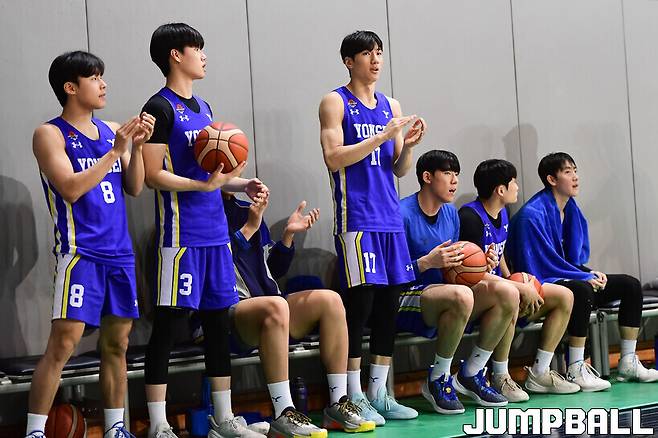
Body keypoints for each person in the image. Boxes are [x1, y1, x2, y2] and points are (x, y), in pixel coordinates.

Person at [141, 23, 270, 438]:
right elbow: (151, 175)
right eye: (197, 48)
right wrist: (201, 187)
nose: (204, 55)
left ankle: (223, 418)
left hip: (217, 236)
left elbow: (213, 176)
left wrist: (241, 184)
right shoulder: (158, 108)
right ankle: (159, 424)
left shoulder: (205, 107)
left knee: (217, 325)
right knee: (168, 326)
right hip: (181, 237)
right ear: (175, 55)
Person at [27, 50, 154, 438]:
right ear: (70, 87)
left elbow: (134, 187)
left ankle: (116, 427)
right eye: (94, 77)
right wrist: (115, 150)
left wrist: (137, 147)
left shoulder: (113, 129)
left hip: (120, 253)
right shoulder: (49, 134)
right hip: (80, 253)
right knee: (63, 345)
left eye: (102, 76)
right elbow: (70, 188)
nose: (103, 84)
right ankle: (34, 431)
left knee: (118, 344)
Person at [318, 30, 426, 423]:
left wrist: (407, 145)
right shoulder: (335, 102)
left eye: (379, 52)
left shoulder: (390, 105)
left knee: (388, 306)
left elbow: (398, 169)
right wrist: (382, 135)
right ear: (349, 61)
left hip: (390, 219)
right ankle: (353, 393)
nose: (376, 59)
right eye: (367, 53)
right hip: (357, 218)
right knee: (359, 306)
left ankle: (379, 392)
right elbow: (333, 157)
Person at [220, 190, 374, 434]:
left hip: (272, 308)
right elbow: (216, 265)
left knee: (331, 300)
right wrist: (249, 228)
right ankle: (283, 411)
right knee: (276, 305)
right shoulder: (202, 211)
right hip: (229, 311)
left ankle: (338, 402)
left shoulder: (247, 209)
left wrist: (288, 236)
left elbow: (272, 269)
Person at [507, 152, 658, 391]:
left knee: (630, 285)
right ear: (552, 179)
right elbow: (538, 266)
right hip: (538, 282)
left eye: (575, 171)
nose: (575, 177)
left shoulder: (570, 209)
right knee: (582, 290)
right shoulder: (531, 215)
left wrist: (589, 273)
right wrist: (583, 277)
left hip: (566, 276)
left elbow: (568, 261)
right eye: (568, 172)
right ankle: (576, 367)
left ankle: (628, 361)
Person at [397, 150, 515, 412]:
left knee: (507, 292)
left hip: (443, 292)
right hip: (404, 295)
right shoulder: (401, 213)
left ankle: (471, 372)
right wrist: (425, 263)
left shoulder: (451, 214)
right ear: (427, 177)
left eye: (457, 175)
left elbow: (455, 269)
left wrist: (480, 264)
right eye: (448, 173)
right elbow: (388, 272)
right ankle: (438, 377)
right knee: (461, 295)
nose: (454, 181)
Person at [458, 159, 579, 397]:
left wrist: (511, 277)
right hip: (477, 294)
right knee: (511, 295)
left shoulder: (503, 212)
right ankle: (500, 376)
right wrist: (516, 286)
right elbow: (471, 273)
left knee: (564, 295)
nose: (517, 187)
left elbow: (499, 253)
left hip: (500, 287)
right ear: (500, 190)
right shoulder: (470, 217)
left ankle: (540, 372)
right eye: (513, 182)